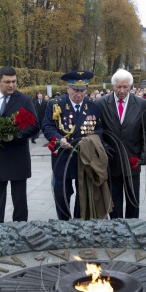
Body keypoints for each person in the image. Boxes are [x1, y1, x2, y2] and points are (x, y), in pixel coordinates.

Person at [0, 66, 40, 224]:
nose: (11, 85)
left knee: (19, 199)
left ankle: (20, 228)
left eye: (14, 81)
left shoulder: (24, 100)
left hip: (18, 157)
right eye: (7, 82)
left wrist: (13, 137)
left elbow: (35, 126)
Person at [42, 71, 103, 220]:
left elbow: (100, 128)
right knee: (61, 194)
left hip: (84, 158)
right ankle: (63, 223)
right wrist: (58, 138)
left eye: (83, 90)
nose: (79, 94)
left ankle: (78, 222)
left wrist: (93, 140)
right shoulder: (56, 104)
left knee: (83, 195)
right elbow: (47, 126)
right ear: (68, 88)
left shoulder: (93, 106)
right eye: (76, 90)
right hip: (63, 157)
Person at [100, 69, 146, 219]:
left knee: (133, 200)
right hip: (111, 160)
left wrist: (144, 153)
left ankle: (133, 229)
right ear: (113, 86)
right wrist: (104, 146)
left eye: (125, 87)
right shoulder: (102, 103)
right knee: (113, 202)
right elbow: (97, 130)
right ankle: (116, 230)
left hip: (132, 160)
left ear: (131, 87)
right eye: (118, 87)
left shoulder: (141, 103)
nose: (121, 91)